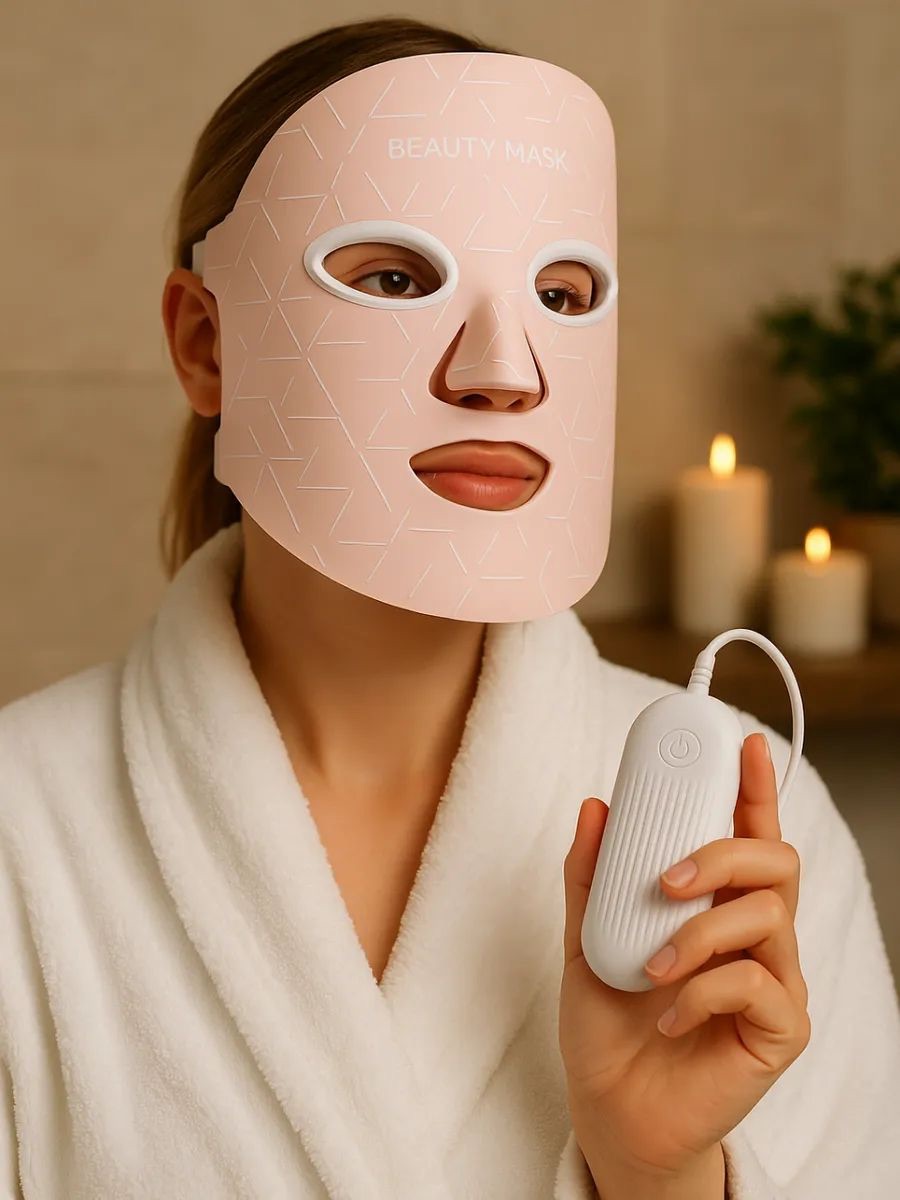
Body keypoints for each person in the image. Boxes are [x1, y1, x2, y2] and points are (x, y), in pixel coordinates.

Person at [2, 16, 899, 1200]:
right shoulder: (22, 831)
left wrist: (662, 1171)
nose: (504, 371)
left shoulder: (745, 841)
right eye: (393, 279)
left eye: (561, 293)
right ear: (207, 342)